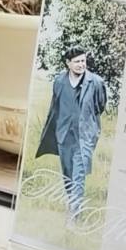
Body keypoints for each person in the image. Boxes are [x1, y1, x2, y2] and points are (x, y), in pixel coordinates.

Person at [33, 46, 110, 224]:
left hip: (84, 138)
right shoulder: (59, 81)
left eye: (83, 61)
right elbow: (55, 106)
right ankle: (73, 206)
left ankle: (73, 218)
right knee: (68, 176)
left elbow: (100, 106)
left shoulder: (96, 82)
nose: (81, 64)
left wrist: (89, 126)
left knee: (78, 177)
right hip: (64, 136)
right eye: (77, 61)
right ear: (68, 63)